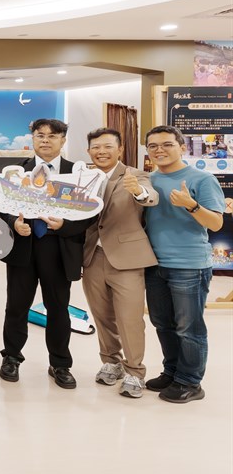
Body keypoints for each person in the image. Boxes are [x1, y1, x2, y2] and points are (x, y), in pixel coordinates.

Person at [0, 118, 90, 389]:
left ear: (63, 140)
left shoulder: (77, 173)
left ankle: (60, 363)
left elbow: (90, 212)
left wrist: (65, 225)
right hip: (23, 248)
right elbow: (3, 206)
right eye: (40, 135)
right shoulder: (16, 171)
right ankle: (11, 357)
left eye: (53, 136)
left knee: (58, 309)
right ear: (33, 139)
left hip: (58, 248)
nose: (46, 140)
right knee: (16, 307)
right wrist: (13, 222)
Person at [143, 125, 224, 403]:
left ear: (182, 146)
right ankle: (172, 371)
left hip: (189, 264)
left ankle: (191, 381)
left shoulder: (201, 178)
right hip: (154, 263)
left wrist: (191, 205)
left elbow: (216, 222)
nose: (159, 150)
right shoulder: (147, 180)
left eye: (166, 144)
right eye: (153, 146)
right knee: (162, 323)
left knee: (189, 327)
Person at [82, 128, 158, 398]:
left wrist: (137, 192)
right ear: (88, 151)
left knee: (130, 319)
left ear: (119, 149)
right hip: (92, 257)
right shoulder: (84, 178)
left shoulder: (135, 175)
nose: (101, 151)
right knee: (102, 316)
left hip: (126, 259)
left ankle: (135, 371)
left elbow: (150, 197)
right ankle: (111, 361)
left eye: (106, 146)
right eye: (95, 147)